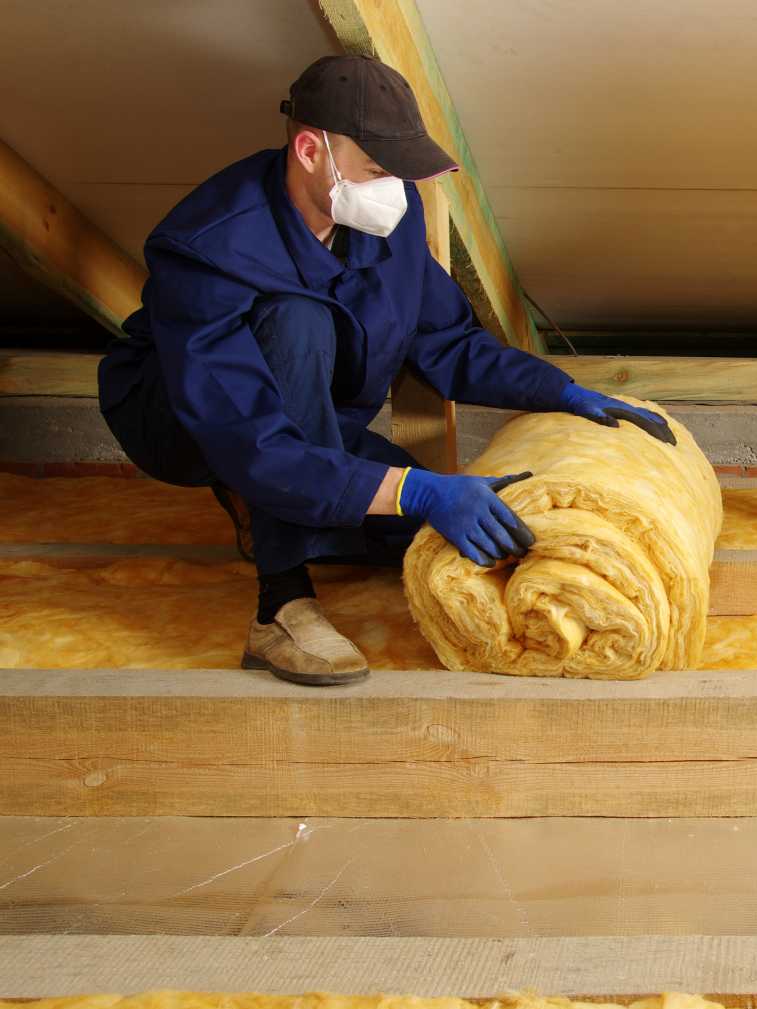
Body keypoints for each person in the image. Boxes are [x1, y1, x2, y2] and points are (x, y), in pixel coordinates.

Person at [96, 54, 675, 688]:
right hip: (189, 417)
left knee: (434, 537)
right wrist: (415, 489)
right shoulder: (209, 246)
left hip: (305, 419)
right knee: (296, 324)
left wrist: (560, 392)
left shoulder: (384, 220)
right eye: (377, 170)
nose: (392, 189)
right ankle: (280, 606)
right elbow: (248, 436)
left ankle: (267, 507)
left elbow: (447, 339)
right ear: (311, 150)